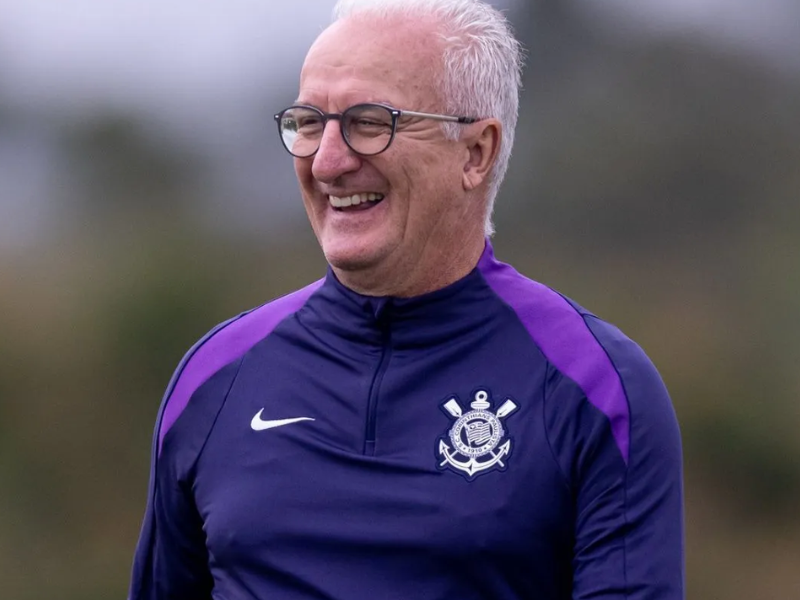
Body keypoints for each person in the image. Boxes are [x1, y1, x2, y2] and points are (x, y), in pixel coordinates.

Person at [129, 0, 684, 598]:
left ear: (476, 152)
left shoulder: (595, 385)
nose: (328, 162)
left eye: (371, 122)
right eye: (309, 123)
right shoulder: (216, 376)